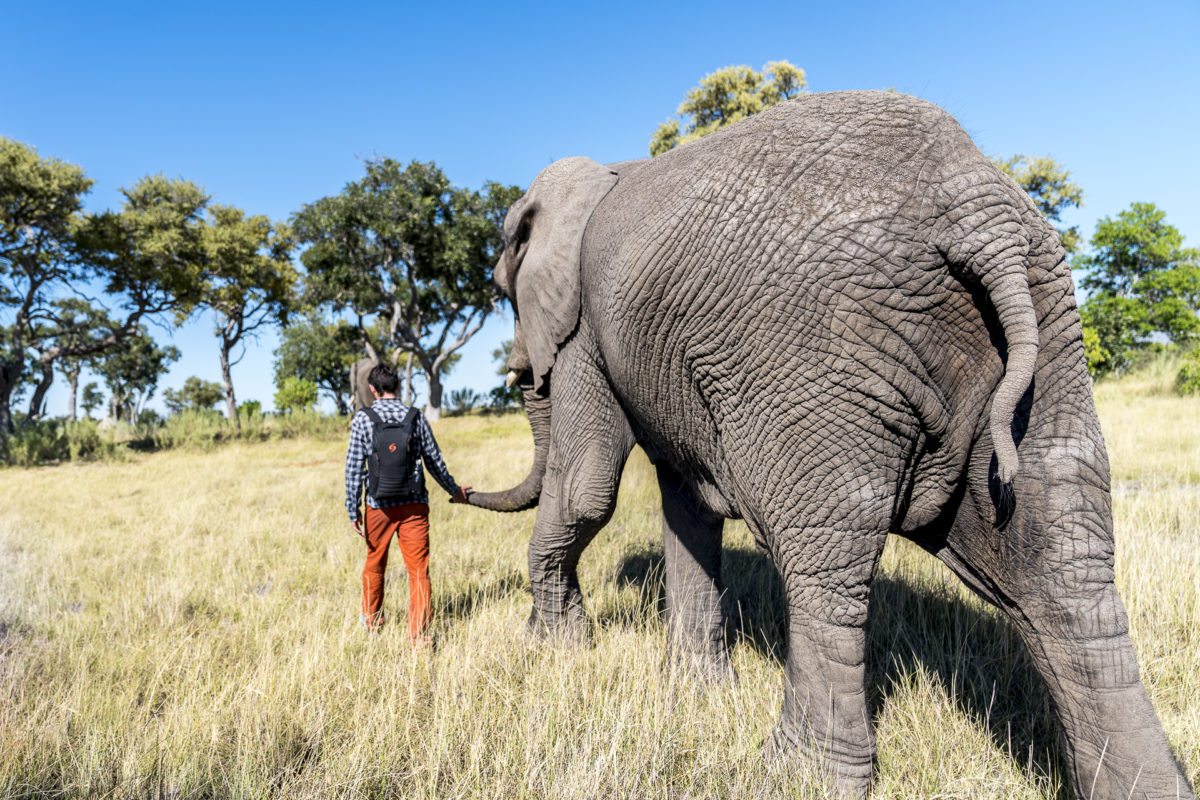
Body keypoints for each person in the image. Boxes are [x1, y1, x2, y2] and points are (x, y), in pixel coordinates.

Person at [344, 362, 471, 640]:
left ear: (372, 389)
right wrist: (454, 490)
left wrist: (352, 509)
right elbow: (434, 462)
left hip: (378, 507)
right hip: (414, 506)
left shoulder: (363, 419)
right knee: (418, 570)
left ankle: (372, 621)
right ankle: (419, 636)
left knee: (375, 562)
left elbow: (354, 468)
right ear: (398, 386)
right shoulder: (416, 417)